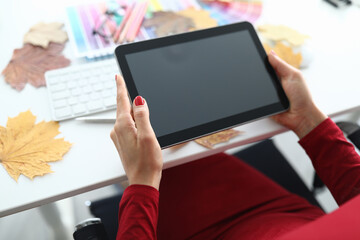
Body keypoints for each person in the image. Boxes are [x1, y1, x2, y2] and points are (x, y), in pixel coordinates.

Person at [110, 50, 360, 239]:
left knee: (135, 158)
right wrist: (307, 119)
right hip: (280, 214)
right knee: (157, 150)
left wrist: (142, 184)